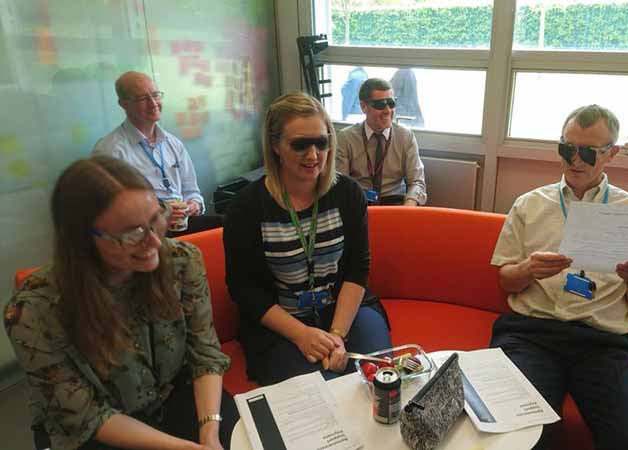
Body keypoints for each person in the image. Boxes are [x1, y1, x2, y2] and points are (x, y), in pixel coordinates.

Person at [4, 156, 238, 450]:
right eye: (132, 233)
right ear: (82, 240)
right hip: (96, 428)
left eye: (156, 219)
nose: (154, 243)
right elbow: (85, 416)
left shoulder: (182, 260)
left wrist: (209, 431)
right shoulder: (32, 311)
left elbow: (204, 354)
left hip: (173, 393)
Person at [489, 105, 628, 450]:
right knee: (519, 437)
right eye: (567, 149)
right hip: (533, 332)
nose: (575, 160)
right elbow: (506, 281)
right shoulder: (529, 204)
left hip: (602, 341)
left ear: (612, 153)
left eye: (587, 152)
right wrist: (528, 269)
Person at [223, 92, 391, 386]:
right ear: (275, 145)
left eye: (321, 142)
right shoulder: (246, 207)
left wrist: (337, 336)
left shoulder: (348, 193)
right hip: (282, 323)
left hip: (344, 309)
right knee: (317, 394)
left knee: (376, 378)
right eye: (300, 144)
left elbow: (357, 267)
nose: (313, 156)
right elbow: (244, 290)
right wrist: (301, 334)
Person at [92, 71, 211, 234]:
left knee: (227, 225)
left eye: (155, 95)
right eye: (142, 98)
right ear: (124, 104)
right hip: (145, 232)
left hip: (182, 223)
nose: (153, 103)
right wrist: (157, 213)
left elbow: (192, 192)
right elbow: (109, 210)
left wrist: (193, 205)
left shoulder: (173, 143)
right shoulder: (110, 151)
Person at [336, 78, 427, 206]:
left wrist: (407, 210)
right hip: (359, 202)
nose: (388, 110)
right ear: (363, 106)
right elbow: (340, 185)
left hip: (395, 202)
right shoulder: (346, 138)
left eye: (391, 103)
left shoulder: (405, 136)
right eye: (380, 104)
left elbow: (417, 182)